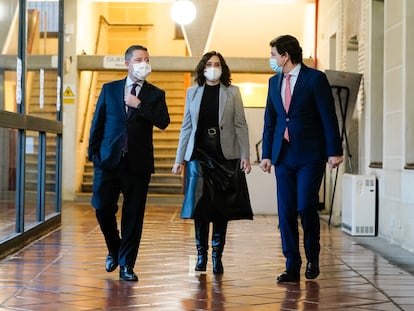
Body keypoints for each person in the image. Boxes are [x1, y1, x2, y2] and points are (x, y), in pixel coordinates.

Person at [260, 35, 343, 283]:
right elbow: (270, 121)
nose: (272, 59)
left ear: (285, 56)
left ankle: (313, 258)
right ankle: (292, 266)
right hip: (282, 156)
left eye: (274, 54)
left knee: (305, 206)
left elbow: (328, 116)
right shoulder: (273, 82)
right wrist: (266, 154)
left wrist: (334, 150)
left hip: (310, 155)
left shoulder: (315, 79)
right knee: (285, 212)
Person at [88, 45, 170, 282]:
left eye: (146, 59)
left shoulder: (155, 94)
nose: (143, 63)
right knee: (102, 208)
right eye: (138, 59)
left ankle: (126, 265)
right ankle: (114, 248)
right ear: (127, 64)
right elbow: (98, 123)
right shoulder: (109, 89)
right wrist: (94, 156)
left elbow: (164, 121)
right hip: (108, 161)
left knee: (133, 216)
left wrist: (140, 106)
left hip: (138, 164)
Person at [172, 51, 253, 274]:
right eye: (209, 64)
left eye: (217, 64)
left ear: (223, 68)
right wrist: (180, 159)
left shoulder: (233, 93)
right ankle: (201, 255)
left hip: (224, 156)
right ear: (203, 68)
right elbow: (186, 126)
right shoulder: (192, 92)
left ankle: (217, 256)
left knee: (221, 208)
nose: (213, 68)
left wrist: (245, 155)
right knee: (200, 207)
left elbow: (240, 125)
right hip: (198, 155)